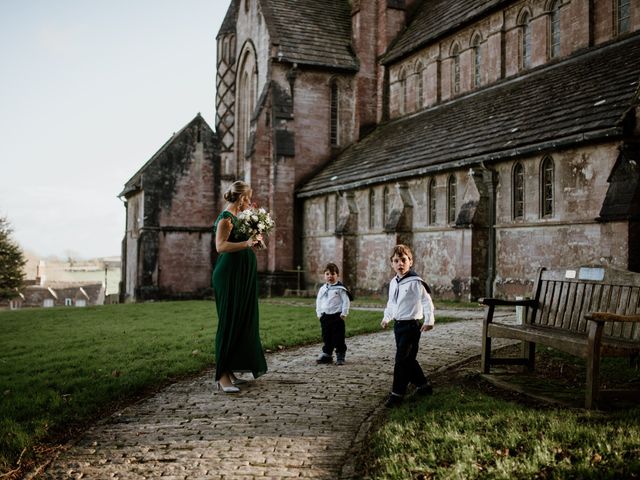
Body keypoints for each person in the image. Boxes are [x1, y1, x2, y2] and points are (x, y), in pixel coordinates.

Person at [212, 181, 268, 393]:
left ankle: (230, 372)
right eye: (247, 197)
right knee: (229, 322)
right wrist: (246, 243)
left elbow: (246, 241)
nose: (250, 202)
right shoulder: (226, 218)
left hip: (243, 274)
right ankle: (222, 376)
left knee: (242, 320)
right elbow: (220, 246)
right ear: (240, 197)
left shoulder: (241, 216)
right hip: (229, 275)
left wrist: (256, 240)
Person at [381, 244, 435, 407]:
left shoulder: (415, 282)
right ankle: (423, 386)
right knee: (408, 360)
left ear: (410, 262)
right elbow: (392, 303)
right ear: (392, 263)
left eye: (403, 260)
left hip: (412, 327)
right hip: (398, 327)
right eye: (396, 261)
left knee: (401, 361)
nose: (400, 264)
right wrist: (387, 317)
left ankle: (396, 394)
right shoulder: (393, 283)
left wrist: (429, 320)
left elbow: (427, 301)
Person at [315, 262, 352, 365]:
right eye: (327, 274)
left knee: (338, 336)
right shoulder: (323, 289)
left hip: (337, 316)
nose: (330, 276)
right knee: (326, 336)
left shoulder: (340, 289)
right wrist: (319, 313)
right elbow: (318, 301)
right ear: (324, 275)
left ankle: (340, 354)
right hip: (325, 316)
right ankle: (327, 354)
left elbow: (346, 301)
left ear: (337, 275)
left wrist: (344, 313)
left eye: (332, 274)